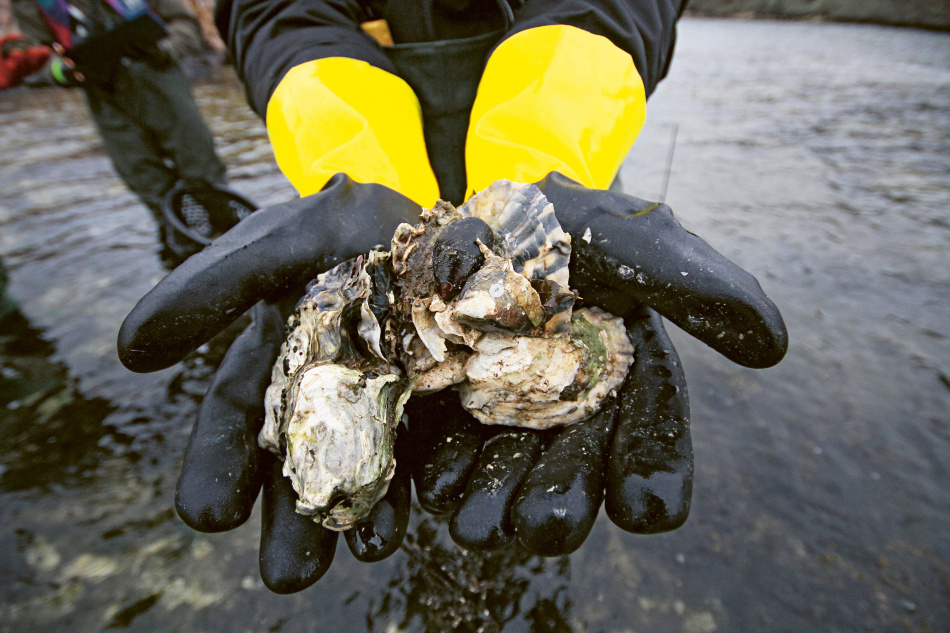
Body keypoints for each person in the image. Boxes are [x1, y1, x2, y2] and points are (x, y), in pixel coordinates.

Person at [118, 0, 789, 594]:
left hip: (566, 168)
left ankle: (505, 580)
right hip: (376, 146)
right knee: (442, 478)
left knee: (530, 507)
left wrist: (537, 176)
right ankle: (456, 578)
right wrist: (364, 185)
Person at [0, 0, 227, 259]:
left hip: (161, 81)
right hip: (104, 96)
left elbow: (184, 22)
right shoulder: (30, 3)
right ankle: (185, 257)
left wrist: (166, 49)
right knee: (146, 181)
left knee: (204, 172)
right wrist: (63, 72)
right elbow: (34, 56)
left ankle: (231, 239)